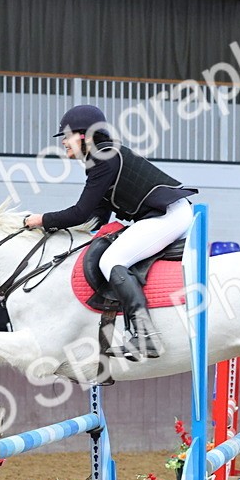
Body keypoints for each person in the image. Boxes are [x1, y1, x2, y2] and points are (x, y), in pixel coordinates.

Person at [22, 104, 197, 361]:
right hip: (165, 214)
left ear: (83, 135)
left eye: (66, 137)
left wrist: (41, 220)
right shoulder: (103, 158)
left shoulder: (103, 158)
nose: (64, 144)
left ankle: (145, 335)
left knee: (112, 260)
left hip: (170, 214)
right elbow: (96, 218)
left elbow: (80, 212)